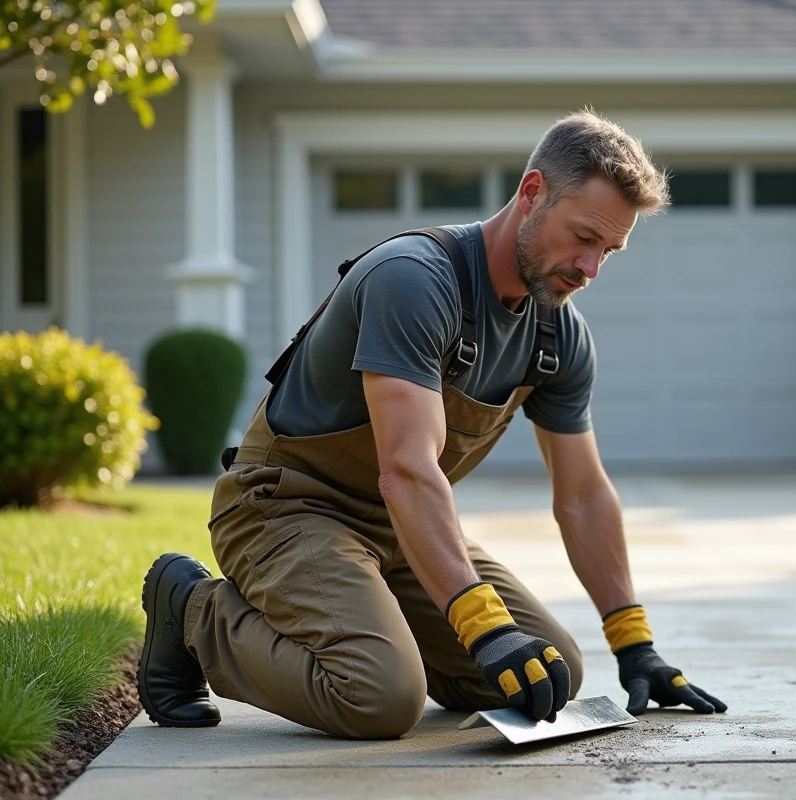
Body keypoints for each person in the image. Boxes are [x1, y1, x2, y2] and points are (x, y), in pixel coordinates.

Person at [136, 110, 727, 738]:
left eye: (609, 250)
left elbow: (582, 495)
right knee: (379, 697)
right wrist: (482, 625)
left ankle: (378, 626)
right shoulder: (415, 279)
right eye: (583, 236)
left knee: (550, 672)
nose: (591, 268)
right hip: (286, 509)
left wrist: (634, 643)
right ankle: (194, 608)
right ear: (532, 193)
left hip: (402, 530)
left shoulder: (558, 335)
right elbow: (408, 469)